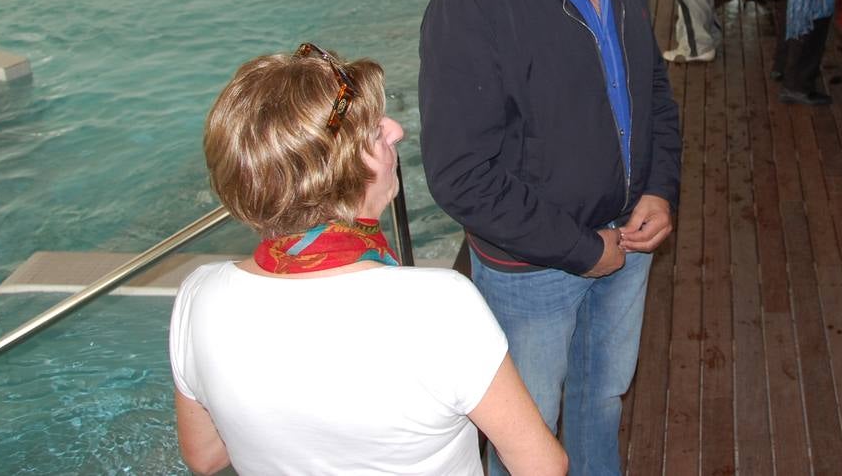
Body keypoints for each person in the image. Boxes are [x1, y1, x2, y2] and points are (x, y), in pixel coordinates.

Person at [419, 0, 682, 476]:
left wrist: (657, 187)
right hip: (532, 267)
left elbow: (651, 88)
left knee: (602, 400)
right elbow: (460, 174)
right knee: (526, 431)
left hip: (628, 237)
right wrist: (576, 247)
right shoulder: (470, 5)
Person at [170, 45, 566, 476]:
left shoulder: (199, 296)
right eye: (375, 132)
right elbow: (543, 464)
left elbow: (205, 456)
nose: (395, 131)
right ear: (340, 170)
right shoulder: (439, 306)